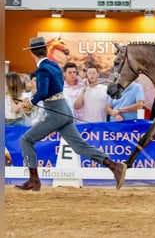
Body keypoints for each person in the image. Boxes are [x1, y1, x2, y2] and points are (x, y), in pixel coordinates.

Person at [17, 36, 126, 191]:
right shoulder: (54, 66)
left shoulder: (42, 69)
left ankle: (33, 179)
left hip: (56, 113)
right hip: (64, 110)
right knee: (79, 147)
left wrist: (29, 103)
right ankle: (114, 166)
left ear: (32, 53)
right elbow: (57, 85)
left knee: (26, 140)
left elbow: (42, 91)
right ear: (46, 49)